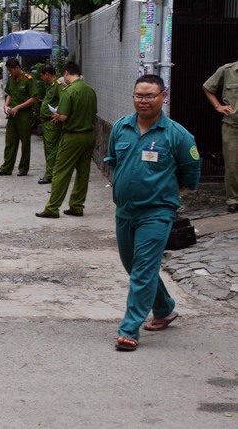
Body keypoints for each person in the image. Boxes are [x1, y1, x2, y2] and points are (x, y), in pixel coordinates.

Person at [104, 74, 201, 351]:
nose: (143, 101)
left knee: (143, 270)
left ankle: (129, 329)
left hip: (157, 213)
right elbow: (112, 159)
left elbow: (191, 173)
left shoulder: (177, 135)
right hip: (124, 211)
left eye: (150, 96)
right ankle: (164, 308)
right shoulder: (121, 127)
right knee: (132, 266)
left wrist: (164, 194)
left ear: (163, 96)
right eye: (139, 95)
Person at [35, 62, 97, 217]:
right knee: (83, 172)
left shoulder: (69, 91)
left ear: (68, 73)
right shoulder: (90, 91)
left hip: (73, 136)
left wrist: (56, 115)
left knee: (61, 171)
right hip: (89, 135)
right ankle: (77, 206)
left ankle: (52, 208)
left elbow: (63, 116)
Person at [202, 59, 238, 213]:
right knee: (232, 164)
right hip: (232, 126)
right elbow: (208, 87)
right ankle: (233, 199)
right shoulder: (227, 70)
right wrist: (218, 105)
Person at [0, 57, 38, 176]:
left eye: (11, 70)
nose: (9, 72)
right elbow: (10, 94)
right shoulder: (12, 79)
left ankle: (23, 168)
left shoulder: (28, 80)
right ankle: (6, 168)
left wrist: (18, 107)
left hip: (24, 115)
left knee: (25, 143)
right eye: (8, 70)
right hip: (12, 115)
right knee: (10, 142)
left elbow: (34, 98)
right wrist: (6, 106)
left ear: (18, 67)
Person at [37, 64, 64, 184]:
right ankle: (50, 172)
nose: (42, 78)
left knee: (52, 149)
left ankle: (50, 175)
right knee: (48, 149)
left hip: (52, 123)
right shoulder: (51, 86)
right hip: (46, 123)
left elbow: (64, 101)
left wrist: (59, 114)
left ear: (47, 74)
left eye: (42, 76)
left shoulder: (58, 86)